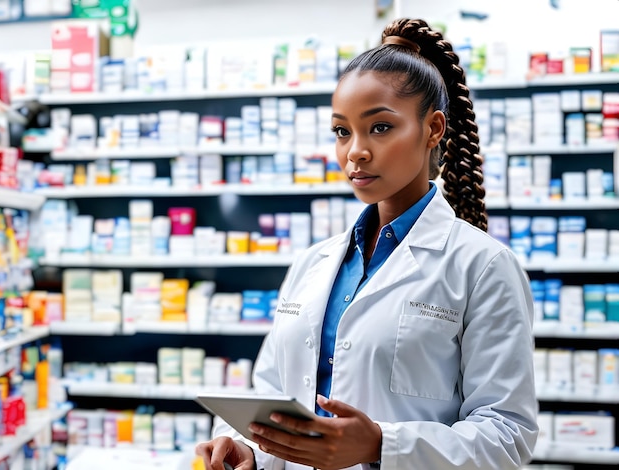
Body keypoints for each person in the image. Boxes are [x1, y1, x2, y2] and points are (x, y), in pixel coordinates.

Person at [196, 17, 538, 470]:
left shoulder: (484, 266)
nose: (355, 150)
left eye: (379, 128)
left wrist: (380, 445)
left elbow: (508, 434)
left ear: (433, 129)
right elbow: (274, 393)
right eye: (342, 131)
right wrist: (244, 447)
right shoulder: (313, 263)